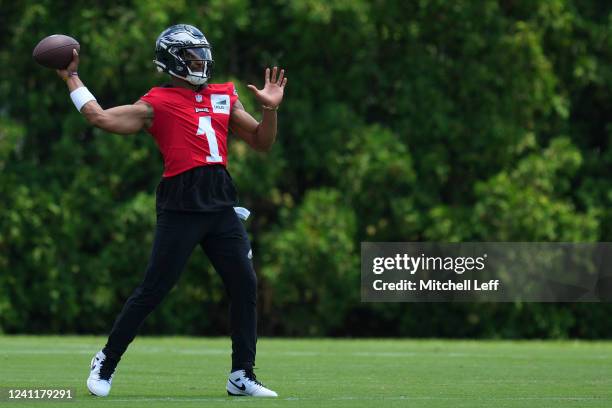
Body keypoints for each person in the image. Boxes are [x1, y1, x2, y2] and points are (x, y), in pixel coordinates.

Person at [57, 24, 287, 398]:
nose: (201, 62)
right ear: (173, 61)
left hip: (220, 203)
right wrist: (72, 76)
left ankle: (241, 374)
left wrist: (269, 109)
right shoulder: (156, 102)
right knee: (153, 289)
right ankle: (106, 360)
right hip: (181, 204)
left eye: (202, 55)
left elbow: (262, 142)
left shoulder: (225, 96)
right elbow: (99, 117)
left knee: (245, 283)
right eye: (192, 56)